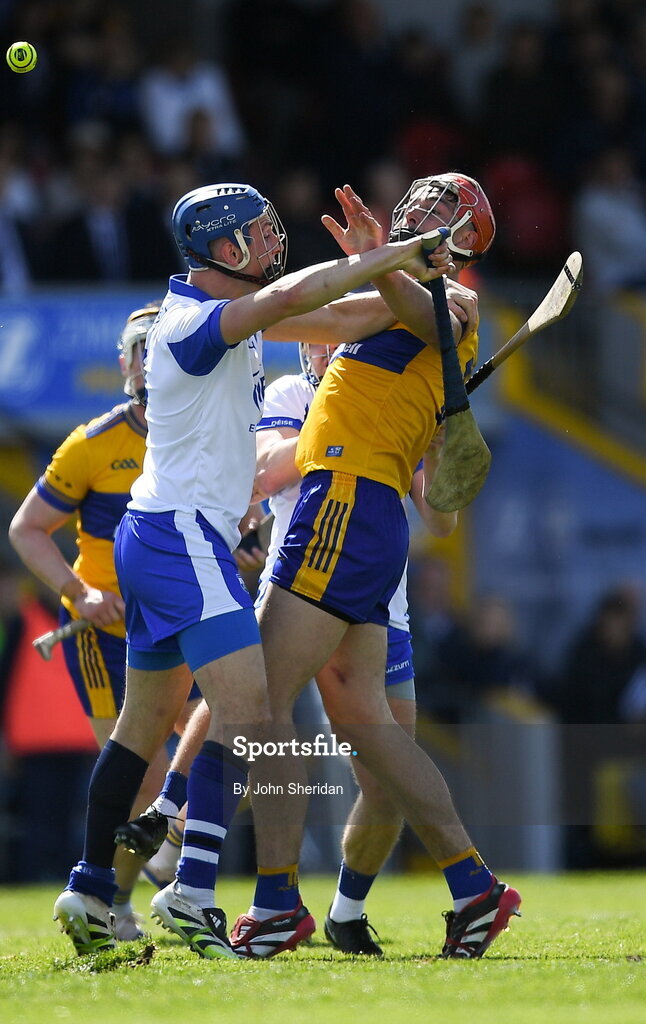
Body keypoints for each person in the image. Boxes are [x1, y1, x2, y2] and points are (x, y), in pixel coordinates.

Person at [52, 179, 457, 961]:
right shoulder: (199, 320)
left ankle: (91, 888)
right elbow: (302, 294)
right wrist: (393, 252)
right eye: (262, 234)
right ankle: (192, 890)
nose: (275, 245)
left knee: (143, 731)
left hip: (160, 535)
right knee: (254, 714)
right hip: (182, 540)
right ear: (225, 249)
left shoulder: (229, 315)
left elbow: (341, 315)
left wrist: (432, 308)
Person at [232, 175, 522, 961]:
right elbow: (302, 310)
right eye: (422, 204)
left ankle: (273, 904)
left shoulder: (453, 304)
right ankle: (475, 891)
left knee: (259, 694)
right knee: (369, 724)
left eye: (444, 209)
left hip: (347, 501)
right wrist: (251, 295)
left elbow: (415, 308)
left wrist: (376, 258)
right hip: (358, 508)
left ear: (467, 239)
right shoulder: (391, 292)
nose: (424, 212)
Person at [252, 341, 458, 956]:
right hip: (301, 593)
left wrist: (433, 444)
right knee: (253, 721)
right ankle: (205, 876)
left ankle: (345, 913)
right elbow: (267, 471)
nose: (321, 348)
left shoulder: (391, 399)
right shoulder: (293, 394)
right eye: (315, 336)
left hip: (376, 605)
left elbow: (441, 522)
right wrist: (355, 424)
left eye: (336, 337)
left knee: (386, 776)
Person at [9, 304, 200, 943]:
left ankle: (168, 862)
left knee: (228, 744)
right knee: (140, 767)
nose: (151, 363)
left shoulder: (202, 433)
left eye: (162, 350)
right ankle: (111, 902)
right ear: (128, 364)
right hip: (105, 636)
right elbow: (28, 529)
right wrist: (82, 592)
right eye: (142, 351)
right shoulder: (93, 443)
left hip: (179, 624)